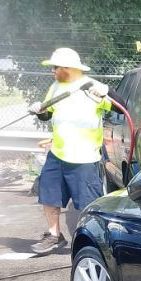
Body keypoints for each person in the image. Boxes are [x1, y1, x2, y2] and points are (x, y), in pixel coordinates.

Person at [28, 48, 111, 255]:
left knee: (88, 203)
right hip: (58, 153)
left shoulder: (92, 87)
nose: (52, 71)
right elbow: (48, 114)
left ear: (67, 68)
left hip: (84, 157)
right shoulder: (56, 87)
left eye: (55, 67)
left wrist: (104, 95)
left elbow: (119, 107)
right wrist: (41, 111)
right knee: (49, 194)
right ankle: (54, 235)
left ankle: (95, 240)